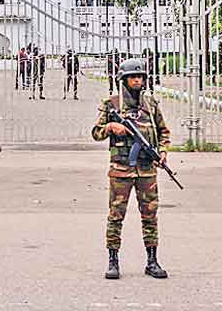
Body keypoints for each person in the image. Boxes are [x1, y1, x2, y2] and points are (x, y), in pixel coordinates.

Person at [92, 58, 170, 280]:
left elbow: (163, 132)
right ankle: (113, 261)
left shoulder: (151, 105)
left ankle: (152, 261)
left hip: (147, 171)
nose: (137, 80)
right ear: (123, 80)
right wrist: (110, 126)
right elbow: (96, 133)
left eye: (140, 77)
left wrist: (163, 152)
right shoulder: (112, 104)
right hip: (121, 170)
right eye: (132, 77)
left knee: (150, 216)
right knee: (116, 216)